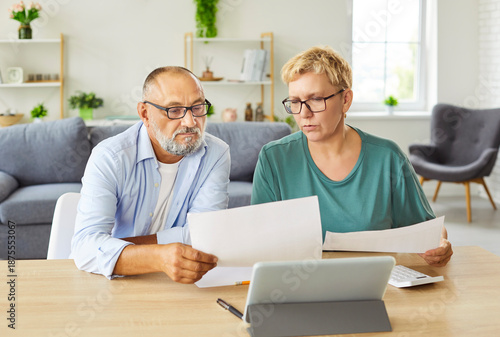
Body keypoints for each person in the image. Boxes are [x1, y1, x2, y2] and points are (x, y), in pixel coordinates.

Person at [251, 46, 453, 267]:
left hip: (378, 286)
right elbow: (261, 242)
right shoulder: (274, 159)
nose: (303, 113)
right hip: (296, 285)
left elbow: (427, 229)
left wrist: (440, 244)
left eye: (316, 99)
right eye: (295, 102)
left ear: (345, 100)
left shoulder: (388, 158)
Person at [71, 66, 230, 281]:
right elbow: (85, 248)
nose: (191, 122)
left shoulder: (217, 154)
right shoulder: (110, 157)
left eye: (198, 107)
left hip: (182, 284)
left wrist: (121, 247)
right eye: (174, 110)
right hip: (112, 281)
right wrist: (158, 257)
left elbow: (206, 237)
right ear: (145, 114)